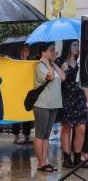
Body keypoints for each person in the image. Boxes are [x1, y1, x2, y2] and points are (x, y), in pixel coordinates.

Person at [33, 42, 65, 172]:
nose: (54, 52)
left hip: (54, 104)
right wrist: (47, 63)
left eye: (54, 50)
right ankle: (41, 163)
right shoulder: (39, 66)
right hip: (42, 104)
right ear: (43, 53)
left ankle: (44, 161)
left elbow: (62, 77)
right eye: (51, 50)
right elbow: (50, 76)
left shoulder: (52, 65)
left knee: (46, 135)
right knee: (40, 134)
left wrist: (53, 63)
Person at [55, 40, 88, 168]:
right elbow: (55, 83)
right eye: (74, 45)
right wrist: (61, 71)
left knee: (81, 128)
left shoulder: (82, 63)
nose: (77, 47)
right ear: (68, 46)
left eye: (79, 45)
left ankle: (78, 157)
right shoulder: (59, 62)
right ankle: (66, 157)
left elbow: (85, 83)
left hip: (80, 99)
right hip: (66, 99)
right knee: (66, 128)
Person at [13, 46, 34, 145]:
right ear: (20, 50)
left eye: (28, 50)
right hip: (17, 92)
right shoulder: (15, 61)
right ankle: (16, 136)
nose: (26, 52)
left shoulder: (31, 63)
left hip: (27, 92)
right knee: (16, 113)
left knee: (27, 112)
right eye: (24, 50)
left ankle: (26, 135)